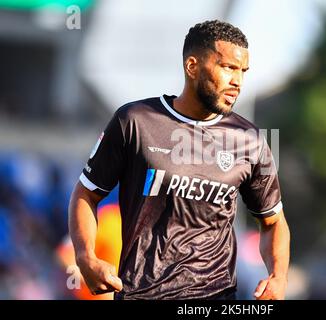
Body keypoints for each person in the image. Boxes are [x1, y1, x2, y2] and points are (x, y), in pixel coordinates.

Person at [69, 20, 290, 300]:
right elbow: (86, 193)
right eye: (228, 68)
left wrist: (279, 277)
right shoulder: (135, 121)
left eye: (243, 71)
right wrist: (85, 256)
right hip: (141, 294)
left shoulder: (251, 139)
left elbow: (273, 222)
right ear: (192, 66)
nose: (238, 81)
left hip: (216, 297)